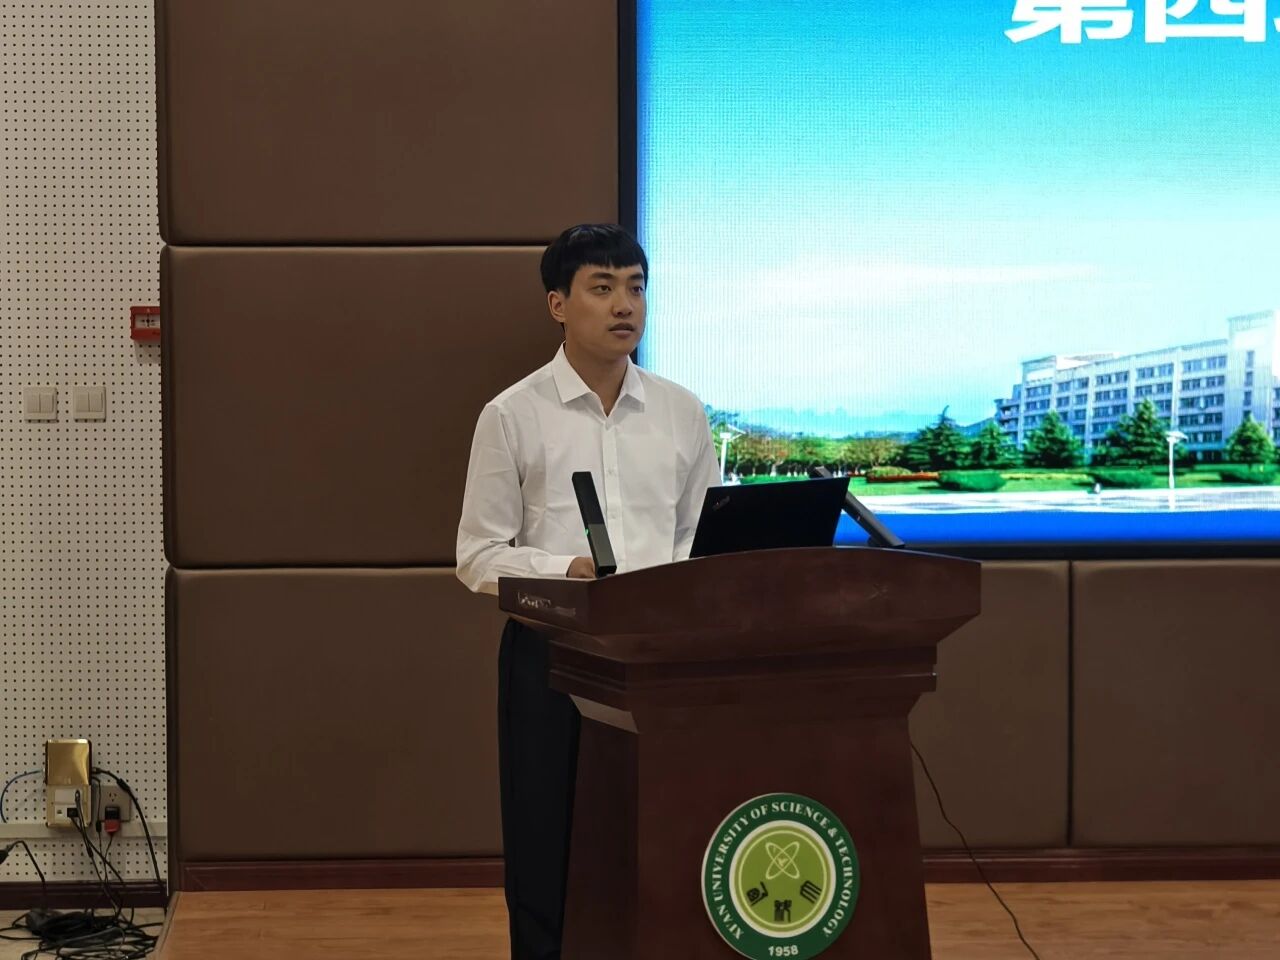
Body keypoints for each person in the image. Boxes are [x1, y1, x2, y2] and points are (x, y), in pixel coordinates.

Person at [456, 223, 719, 959]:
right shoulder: (512, 414)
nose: (624, 305)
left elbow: (702, 537)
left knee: (667, 835)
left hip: (663, 658)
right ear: (558, 304)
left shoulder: (681, 411)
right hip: (554, 657)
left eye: (635, 287)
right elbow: (477, 555)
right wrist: (564, 569)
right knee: (548, 841)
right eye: (602, 288)